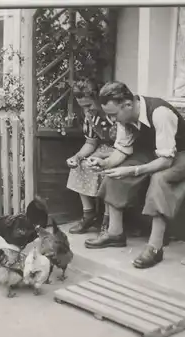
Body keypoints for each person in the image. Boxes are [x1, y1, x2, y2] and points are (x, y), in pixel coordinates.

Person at [84, 81, 185, 269]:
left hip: (184, 155)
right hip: (154, 153)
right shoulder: (125, 117)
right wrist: (105, 163)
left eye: (114, 115)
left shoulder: (160, 113)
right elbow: (122, 150)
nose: (113, 120)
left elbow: (166, 162)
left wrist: (133, 170)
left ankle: (155, 248)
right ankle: (115, 233)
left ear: (128, 104)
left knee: (160, 178)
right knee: (115, 172)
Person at [66, 79, 117, 234]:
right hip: (102, 148)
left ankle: (108, 221)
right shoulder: (90, 117)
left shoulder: (113, 114)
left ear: (98, 99)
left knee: (106, 169)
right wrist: (77, 157)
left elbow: (127, 145)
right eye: (83, 107)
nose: (87, 110)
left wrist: (105, 155)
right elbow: (90, 142)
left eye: (89, 105)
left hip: (121, 151)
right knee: (81, 165)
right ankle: (89, 214)